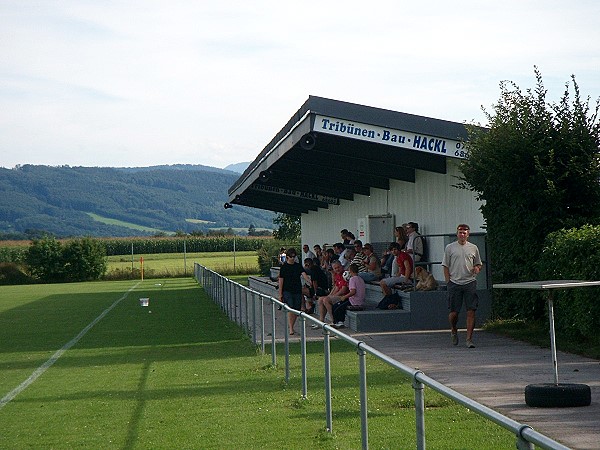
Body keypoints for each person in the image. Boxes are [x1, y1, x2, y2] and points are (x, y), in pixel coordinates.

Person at [442, 224, 483, 349]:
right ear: (457, 234)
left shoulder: (473, 248)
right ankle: (454, 329)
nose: (462, 235)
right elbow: (445, 266)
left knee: (471, 311)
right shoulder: (450, 248)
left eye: (464, 232)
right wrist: (448, 281)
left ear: (468, 234)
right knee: (454, 313)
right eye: (460, 232)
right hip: (454, 283)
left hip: (469, 282)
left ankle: (469, 339)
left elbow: (478, 264)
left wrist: (477, 268)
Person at [278, 248, 311, 335]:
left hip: (297, 290)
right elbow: (281, 280)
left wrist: (308, 281)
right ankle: (291, 328)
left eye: (294, 256)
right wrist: (280, 293)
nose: (293, 258)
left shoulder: (298, 266)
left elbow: (304, 274)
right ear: (288, 257)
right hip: (287, 290)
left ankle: (292, 325)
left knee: (296, 308)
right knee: (290, 307)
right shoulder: (284, 267)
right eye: (291, 257)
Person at [313, 260, 349, 328]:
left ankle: (334, 320)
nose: (337, 269)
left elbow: (344, 290)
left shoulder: (345, 274)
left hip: (345, 296)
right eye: (335, 268)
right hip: (339, 295)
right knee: (321, 299)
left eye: (338, 267)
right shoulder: (337, 275)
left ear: (341, 266)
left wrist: (332, 296)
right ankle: (321, 320)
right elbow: (336, 287)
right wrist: (330, 295)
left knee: (326, 300)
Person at [331, 263, 366, 327]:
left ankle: (339, 321)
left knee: (336, 306)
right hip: (361, 301)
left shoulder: (352, 279)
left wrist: (344, 297)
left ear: (351, 271)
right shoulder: (361, 279)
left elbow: (353, 291)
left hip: (354, 301)